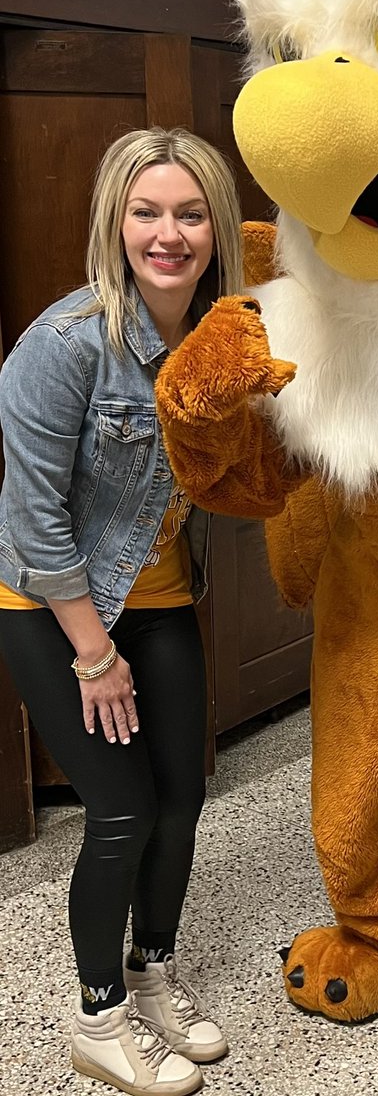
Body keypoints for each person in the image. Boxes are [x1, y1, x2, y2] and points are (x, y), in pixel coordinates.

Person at [0, 128, 243, 1096]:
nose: (169, 233)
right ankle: (98, 1016)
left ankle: (155, 978)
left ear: (214, 225)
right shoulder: (62, 348)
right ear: (116, 220)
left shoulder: (221, 336)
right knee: (120, 811)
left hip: (163, 595)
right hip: (52, 607)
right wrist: (96, 659)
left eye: (189, 213)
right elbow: (32, 519)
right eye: (148, 212)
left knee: (181, 802)